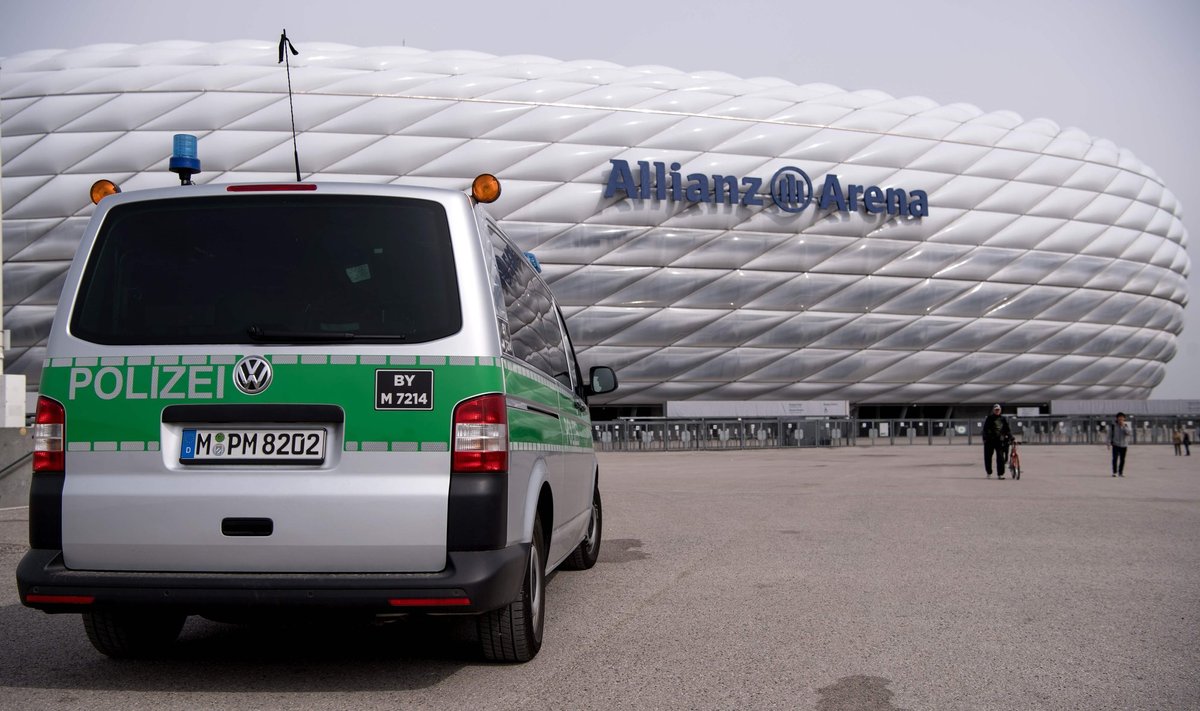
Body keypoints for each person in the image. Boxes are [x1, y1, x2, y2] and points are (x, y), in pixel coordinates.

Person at [982, 404, 1012, 479]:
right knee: (988, 457)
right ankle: (989, 472)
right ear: (993, 410)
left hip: (999, 440)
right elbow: (985, 429)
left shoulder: (1003, 419)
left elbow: (1007, 429)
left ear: (1000, 410)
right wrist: (985, 438)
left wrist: (1010, 437)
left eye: (998, 410)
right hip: (989, 440)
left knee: (1000, 457)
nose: (997, 411)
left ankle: (1000, 474)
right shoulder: (989, 418)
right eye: (996, 410)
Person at [1108, 412, 1131, 477]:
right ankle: (1114, 472)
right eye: (1119, 417)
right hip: (1116, 444)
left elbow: (1128, 433)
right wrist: (1108, 443)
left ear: (1124, 418)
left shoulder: (1126, 425)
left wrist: (1123, 426)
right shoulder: (1113, 426)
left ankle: (1120, 472)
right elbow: (1109, 435)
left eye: (1122, 417)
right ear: (1117, 418)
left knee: (1122, 459)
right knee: (1115, 459)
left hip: (1124, 445)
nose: (1121, 418)